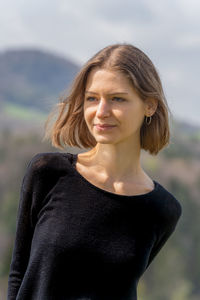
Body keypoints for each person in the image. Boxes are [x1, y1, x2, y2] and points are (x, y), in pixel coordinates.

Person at [7, 43, 182, 300]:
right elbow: (18, 274)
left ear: (150, 106)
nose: (101, 112)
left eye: (117, 99)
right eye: (92, 98)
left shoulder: (163, 209)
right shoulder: (48, 173)